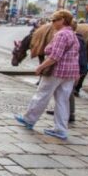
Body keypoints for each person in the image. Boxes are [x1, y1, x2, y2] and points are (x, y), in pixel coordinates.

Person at [15, 9, 80, 140]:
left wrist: (41, 66)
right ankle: (61, 129)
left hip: (56, 71)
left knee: (42, 95)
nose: (52, 23)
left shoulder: (61, 35)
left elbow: (55, 56)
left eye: (54, 20)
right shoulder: (73, 34)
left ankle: (29, 119)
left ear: (63, 20)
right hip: (70, 73)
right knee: (63, 101)